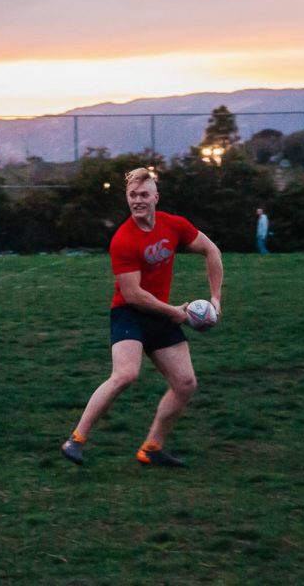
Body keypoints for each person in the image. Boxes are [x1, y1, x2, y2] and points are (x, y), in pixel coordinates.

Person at [61, 168, 223, 468]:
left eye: (143, 195)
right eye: (132, 195)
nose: (138, 200)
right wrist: (174, 312)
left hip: (160, 314)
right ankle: (76, 439)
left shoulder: (173, 226)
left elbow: (211, 250)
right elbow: (133, 294)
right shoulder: (123, 240)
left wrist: (215, 299)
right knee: (125, 374)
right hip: (129, 313)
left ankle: (152, 447)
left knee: (185, 383)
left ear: (155, 197)